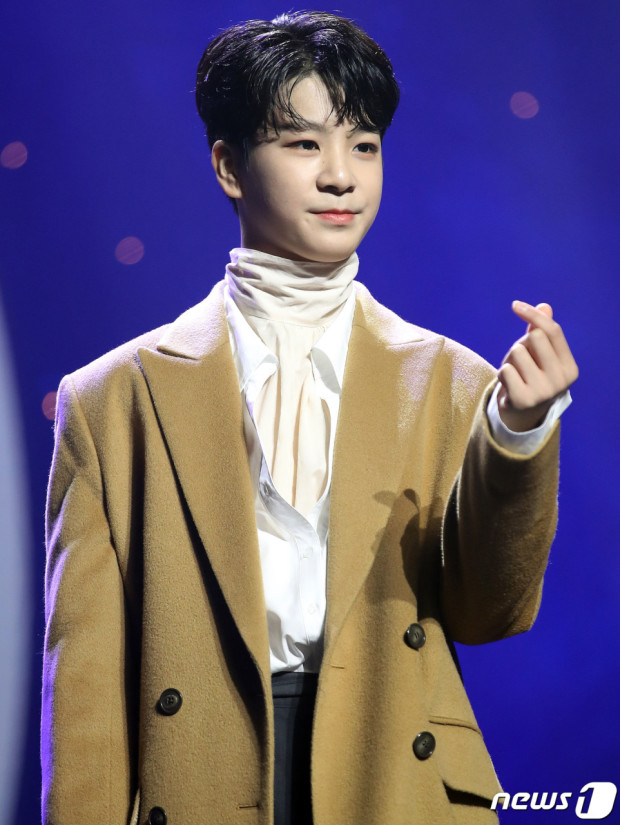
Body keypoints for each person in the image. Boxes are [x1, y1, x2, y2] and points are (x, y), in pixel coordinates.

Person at [41, 11, 578, 825]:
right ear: (229, 165)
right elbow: (83, 685)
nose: (340, 176)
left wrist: (518, 431)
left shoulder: (450, 379)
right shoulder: (113, 398)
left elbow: (490, 613)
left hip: (390, 770)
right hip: (202, 773)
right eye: (303, 144)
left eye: (364, 145)